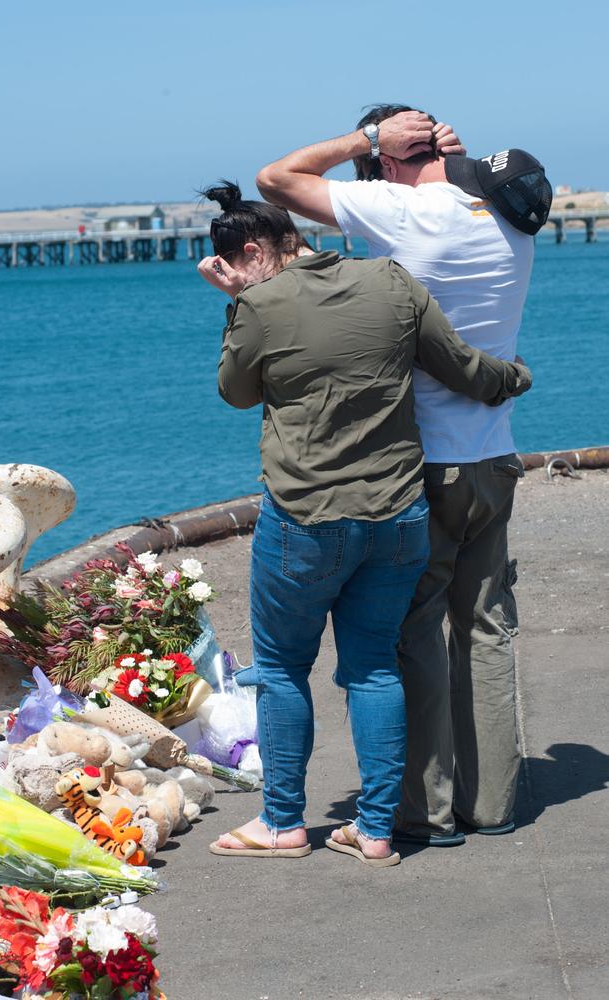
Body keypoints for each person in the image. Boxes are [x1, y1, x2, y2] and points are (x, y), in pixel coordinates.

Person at [197, 180, 532, 865]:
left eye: (233, 267)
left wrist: (238, 302)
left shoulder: (258, 303)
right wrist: (513, 380)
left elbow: (235, 394)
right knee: (375, 667)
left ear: (253, 252)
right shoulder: (390, 281)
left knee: (286, 669)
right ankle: (376, 830)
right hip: (399, 515)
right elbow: (462, 367)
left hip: (305, 522)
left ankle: (284, 825)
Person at [255, 105, 552, 846]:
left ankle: (429, 808)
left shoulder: (404, 211)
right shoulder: (511, 218)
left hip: (422, 466)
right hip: (494, 456)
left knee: (413, 634)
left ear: (388, 158)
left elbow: (276, 179)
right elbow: (471, 184)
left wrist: (366, 142)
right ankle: (494, 803)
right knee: (486, 628)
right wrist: (451, 155)